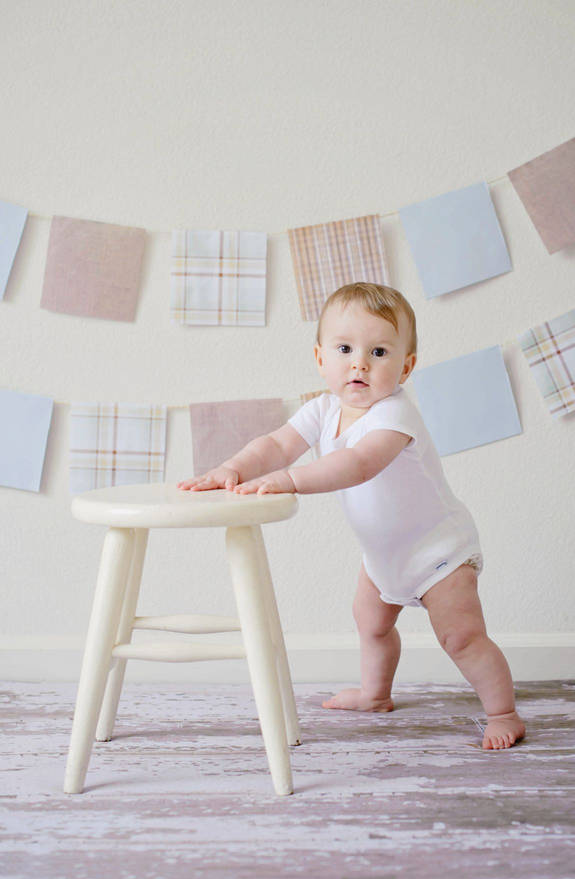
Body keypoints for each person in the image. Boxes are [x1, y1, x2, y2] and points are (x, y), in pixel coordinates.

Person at [177, 282, 525, 750]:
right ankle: (375, 693)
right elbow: (277, 445)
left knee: (461, 638)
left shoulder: (394, 416)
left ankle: (503, 712)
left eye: (379, 351)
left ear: (406, 366)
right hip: (383, 554)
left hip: (440, 552)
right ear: (321, 358)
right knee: (371, 623)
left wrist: (291, 479)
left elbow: (358, 464)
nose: (360, 363)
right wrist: (233, 468)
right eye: (345, 348)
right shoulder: (321, 410)